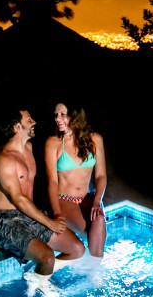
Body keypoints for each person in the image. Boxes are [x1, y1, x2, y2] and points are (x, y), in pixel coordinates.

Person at [0, 109, 85, 293]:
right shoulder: (4, 159)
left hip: (29, 214)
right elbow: (18, 199)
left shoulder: (29, 149)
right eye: (29, 119)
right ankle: (42, 284)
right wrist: (49, 222)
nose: (34, 122)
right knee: (47, 257)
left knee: (77, 249)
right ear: (17, 127)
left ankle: (38, 277)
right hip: (5, 220)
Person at [44, 102, 107, 258]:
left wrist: (96, 200)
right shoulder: (53, 143)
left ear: (75, 116)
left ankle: (94, 270)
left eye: (63, 115)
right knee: (94, 232)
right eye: (56, 115)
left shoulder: (95, 140)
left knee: (98, 220)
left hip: (87, 198)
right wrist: (57, 213)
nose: (58, 119)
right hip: (64, 200)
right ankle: (94, 270)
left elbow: (101, 176)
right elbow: (52, 182)